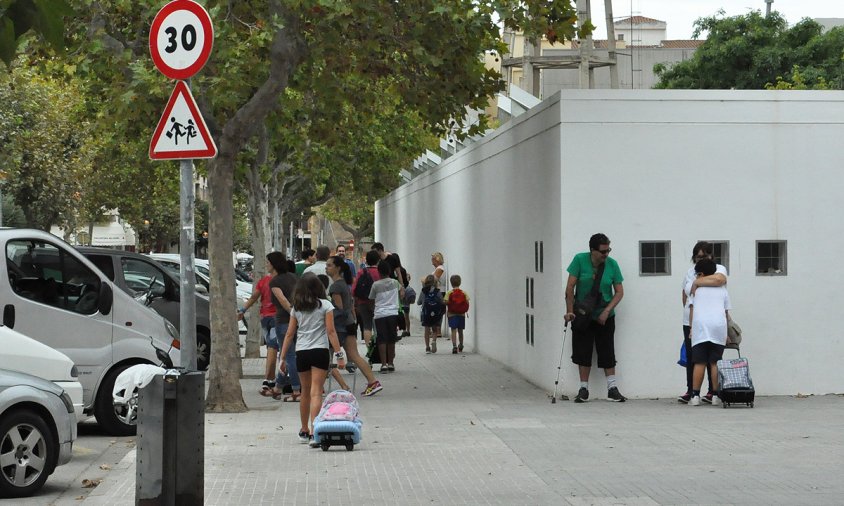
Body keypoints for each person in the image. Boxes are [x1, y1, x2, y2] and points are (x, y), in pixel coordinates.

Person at [279, 273, 346, 447]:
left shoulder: (297, 308)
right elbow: (331, 332)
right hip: (320, 351)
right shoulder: (326, 305)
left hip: (302, 352)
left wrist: (282, 357)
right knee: (317, 391)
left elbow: (289, 334)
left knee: (305, 392)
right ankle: (316, 431)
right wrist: (339, 355)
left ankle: (303, 430)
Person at [563, 233, 627, 403]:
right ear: (592, 250)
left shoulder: (612, 265)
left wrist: (607, 311)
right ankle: (583, 388)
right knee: (582, 350)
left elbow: (619, 292)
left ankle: (612, 388)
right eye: (603, 251)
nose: (606, 255)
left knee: (607, 349)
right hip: (583, 314)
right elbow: (570, 288)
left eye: (608, 250)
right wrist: (570, 311)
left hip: (604, 315)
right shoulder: (579, 260)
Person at [680, 241, 728, 404]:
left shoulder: (719, 268)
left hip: (699, 323)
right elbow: (684, 296)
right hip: (699, 322)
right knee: (695, 357)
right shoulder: (690, 272)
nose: (701, 259)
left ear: (711, 256)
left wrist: (697, 282)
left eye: (705, 256)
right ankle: (697, 391)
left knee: (702, 359)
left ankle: (703, 393)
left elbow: (719, 280)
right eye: (698, 256)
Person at [326, 256, 382, 396]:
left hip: (340, 327)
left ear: (338, 268)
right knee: (354, 356)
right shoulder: (343, 284)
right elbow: (349, 307)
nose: (326, 268)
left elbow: (339, 309)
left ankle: (317, 387)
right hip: (350, 324)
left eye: (329, 265)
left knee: (326, 358)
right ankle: (372, 381)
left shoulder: (335, 286)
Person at [237, 255, 280, 395]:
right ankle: (269, 380)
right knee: (275, 349)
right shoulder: (282, 281)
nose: (267, 265)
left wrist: (243, 310)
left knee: (271, 348)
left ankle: (270, 378)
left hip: (265, 318)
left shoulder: (264, 281)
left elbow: (254, 297)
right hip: (277, 318)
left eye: (268, 262)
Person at [268, 252, 301, 401]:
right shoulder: (294, 277)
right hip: (299, 320)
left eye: (268, 262)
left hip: (283, 321)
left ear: (273, 264)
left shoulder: (274, 282)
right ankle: (278, 388)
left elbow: (283, 301)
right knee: (289, 355)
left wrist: (293, 314)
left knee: (288, 356)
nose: (266, 265)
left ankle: (296, 390)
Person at [369, 260, 404, 372]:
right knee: (391, 339)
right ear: (389, 271)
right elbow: (402, 295)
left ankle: (383, 364)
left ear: (379, 272)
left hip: (380, 314)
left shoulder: (375, 285)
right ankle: (391, 363)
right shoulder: (395, 283)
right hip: (393, 314)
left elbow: (371, 299)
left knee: (381, 339)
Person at [352, 250, 381, 346]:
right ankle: (379, 347)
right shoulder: (380, 272)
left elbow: (353, 289)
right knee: (378, 325)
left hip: (363, 302)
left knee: (367, 326)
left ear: (367, 260)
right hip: (378, 302)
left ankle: (369, 349)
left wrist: (355, 301)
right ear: (378, 260)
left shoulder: (361, 272)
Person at [418, 274, 444, 353]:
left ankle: (427, 347)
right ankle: (434, 341)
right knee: (434, 329)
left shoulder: (423, 291)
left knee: (427, 330)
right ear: (435, 282)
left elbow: (419, 302)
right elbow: (442, 301)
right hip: (435, 313)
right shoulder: (437, 291)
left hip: (426, 314)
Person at [444, 274, 469, 354]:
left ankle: (454, 346)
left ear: (451, 283)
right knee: (460, 331)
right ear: (460, 282)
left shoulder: (449, 293)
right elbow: (467, 302)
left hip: (452, 314)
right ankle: (461, 345)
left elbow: (446, 302)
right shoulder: (464, 293)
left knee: (453, 330)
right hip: (461, 314)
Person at [430, 252, 447, 339]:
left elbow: (434, 280)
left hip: (439, 292)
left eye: (433, 258)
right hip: (438, 291)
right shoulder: (438, 268)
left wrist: (426, 280)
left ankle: (437, 331)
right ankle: (436, 330)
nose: (431, 260)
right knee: (438, 311)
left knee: (437, 311)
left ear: (437, 259)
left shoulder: (440, 269)